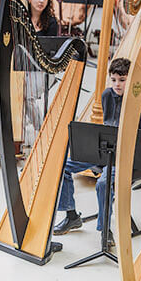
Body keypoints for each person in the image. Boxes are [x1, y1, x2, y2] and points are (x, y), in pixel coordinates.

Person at [52, 57, 131, 236]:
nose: (117, 84)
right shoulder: (106, 95)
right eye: (114, 80)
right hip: (103, 151)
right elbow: (106, 125)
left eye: (122, 80)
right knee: (61, 165)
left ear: (130, 79)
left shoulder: (137, 100)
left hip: (123, 156)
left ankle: (105, 231)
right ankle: (71, 216)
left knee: (102, 183)